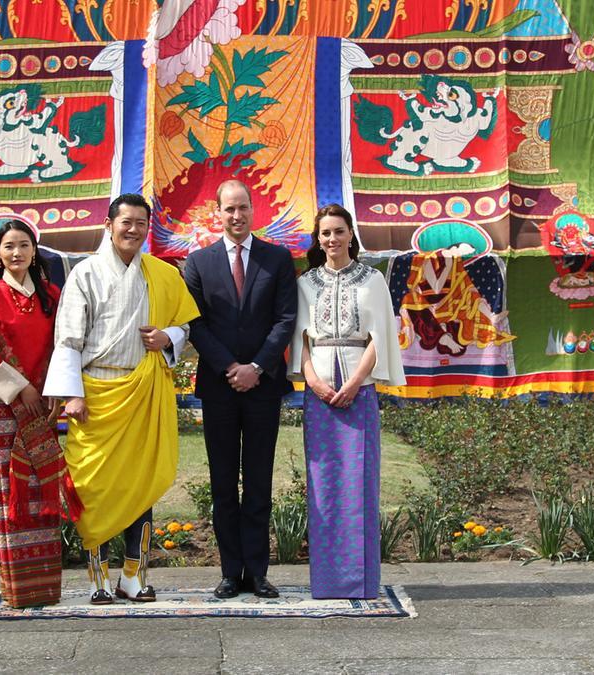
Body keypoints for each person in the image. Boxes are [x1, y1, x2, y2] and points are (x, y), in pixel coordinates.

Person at [43, 193, 200, 604]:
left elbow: (186, 326)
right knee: (95, 487)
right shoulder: (86, 274)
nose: (133, 230)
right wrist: (71, 395)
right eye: (126, 222)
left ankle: (134, 575)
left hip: (145, 392)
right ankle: (98, 578)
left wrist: (170, 338)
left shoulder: (162, 274)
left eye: (141, 223)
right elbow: (68, 339)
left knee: (141, 484)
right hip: (96, 393)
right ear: (109, 225)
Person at [183, 179, 297, 599]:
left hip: (263, 387)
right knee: (223, 481)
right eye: (229, 209)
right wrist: (231, 367)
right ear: (218, 213)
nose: (236, 216)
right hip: (219, 387)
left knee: (260, 482)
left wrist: (257, 367)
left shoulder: (278, 259)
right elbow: (196, 324)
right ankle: (231, 572)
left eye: (243, 208)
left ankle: (259, 572)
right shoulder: (197, 263)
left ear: (254, 210)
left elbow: (285, 319)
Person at [289, 204, 405, 599]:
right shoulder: (306, 283)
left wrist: (356, 382)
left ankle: (360, 581)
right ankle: (328, 582)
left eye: (339, 231)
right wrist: (314, 382)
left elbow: (380, 338)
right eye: (325, 233)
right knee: (324, 484)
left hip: (360, 388)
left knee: (359, 481)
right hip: (319, 391)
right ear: (317, 239)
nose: (332, 239)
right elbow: (300, 343)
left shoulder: (372, 280)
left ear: (351, 234)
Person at [0, 217, 70, 609]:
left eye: (24, 245)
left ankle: (45, 587)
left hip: (42, 405)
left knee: (41, 491)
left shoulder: (51, 294)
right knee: (8, 492)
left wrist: (53, 389)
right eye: (8, 246)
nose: (16, 253)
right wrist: (19, 388)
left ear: (34, 251)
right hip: (3, 405)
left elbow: (64, 344)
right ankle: (18, 590)